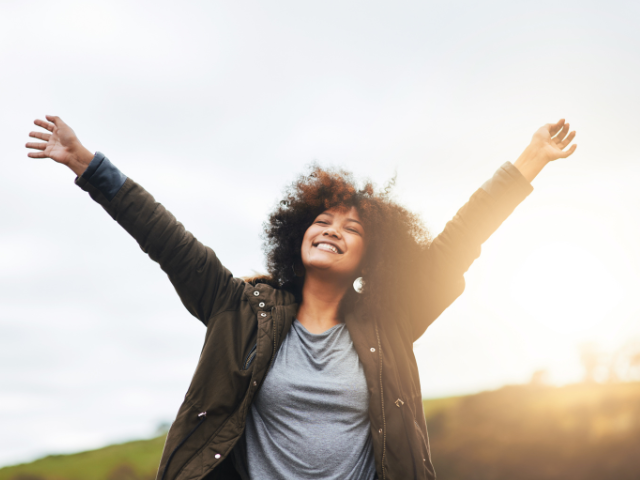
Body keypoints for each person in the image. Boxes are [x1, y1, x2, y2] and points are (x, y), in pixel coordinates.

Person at [26, 115, 576, 480]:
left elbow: (460, 239)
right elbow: (167, 239)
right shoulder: (238, 308)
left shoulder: (391, 322)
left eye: (352, 229)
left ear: (372, 257)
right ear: (299, 233)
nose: (333, 229)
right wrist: (87, 164)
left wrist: (529, 160)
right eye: (323, 219)